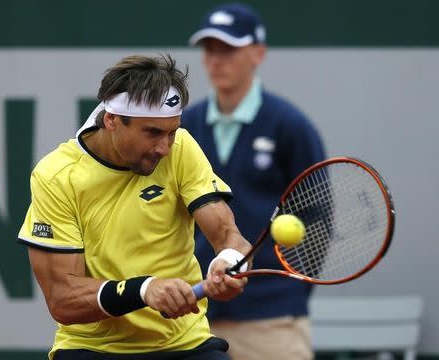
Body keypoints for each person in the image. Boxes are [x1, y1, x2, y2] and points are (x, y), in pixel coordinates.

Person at [17, 54, 253, 360]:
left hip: (185, 345)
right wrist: (144, 290)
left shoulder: (181, 148)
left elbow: (227, 233)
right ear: (112, 120)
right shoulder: (57, 176)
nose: (164, 148)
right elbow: (63, 299)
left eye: (171, 132)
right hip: (93, 349)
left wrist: (230, 261)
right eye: (152, 133)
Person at [182, 3, 326, 360]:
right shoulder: (184, 127)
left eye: (228, 49)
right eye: (210, 50)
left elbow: (317, 218)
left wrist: (284, 291)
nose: (216, 60)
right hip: (196, 321)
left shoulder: (289, 125)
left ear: (257, 53)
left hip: (273, 321)